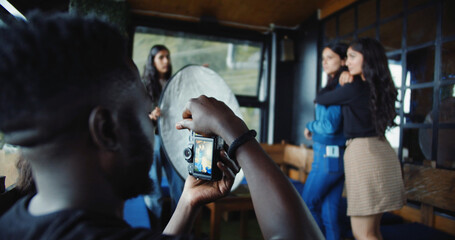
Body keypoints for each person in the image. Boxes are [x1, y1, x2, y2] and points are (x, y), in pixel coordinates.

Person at [0, 12, 323, 239]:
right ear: (107, 129)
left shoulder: (12, 223)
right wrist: (238, 134)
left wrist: (186, 203)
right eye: (143, 106)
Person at [315, 37, 405, 240]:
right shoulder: (380, 87)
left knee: (362, 233)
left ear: (368, 59)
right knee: (373, 231)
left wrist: (341, 79)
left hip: (363, 155)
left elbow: (321, 98)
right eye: (346, 58)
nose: (347, 62)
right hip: (384, 153)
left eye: (352, 57)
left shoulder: (354, 87)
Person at [302, 42, 347, 240]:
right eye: (323, 58)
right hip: (335, 157)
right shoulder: (336, 85)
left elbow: (330, 127)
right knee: (330, 216)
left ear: (343, 60)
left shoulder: (339, 87)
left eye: (330, 57)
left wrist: (311, 126)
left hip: (328, 156)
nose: (324, 62)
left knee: (306, 205)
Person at [142, 44, 184, 229]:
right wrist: (150, 117)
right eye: (161, 57)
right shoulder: (143, 86)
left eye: (167, 56)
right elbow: (135, 116)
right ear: (153, 61)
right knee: (154, 190)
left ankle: (178, 228)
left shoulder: (174, 84)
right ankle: (156, 230)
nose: (166, 61)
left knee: (180, 185)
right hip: (153, 141)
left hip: (173, 141)